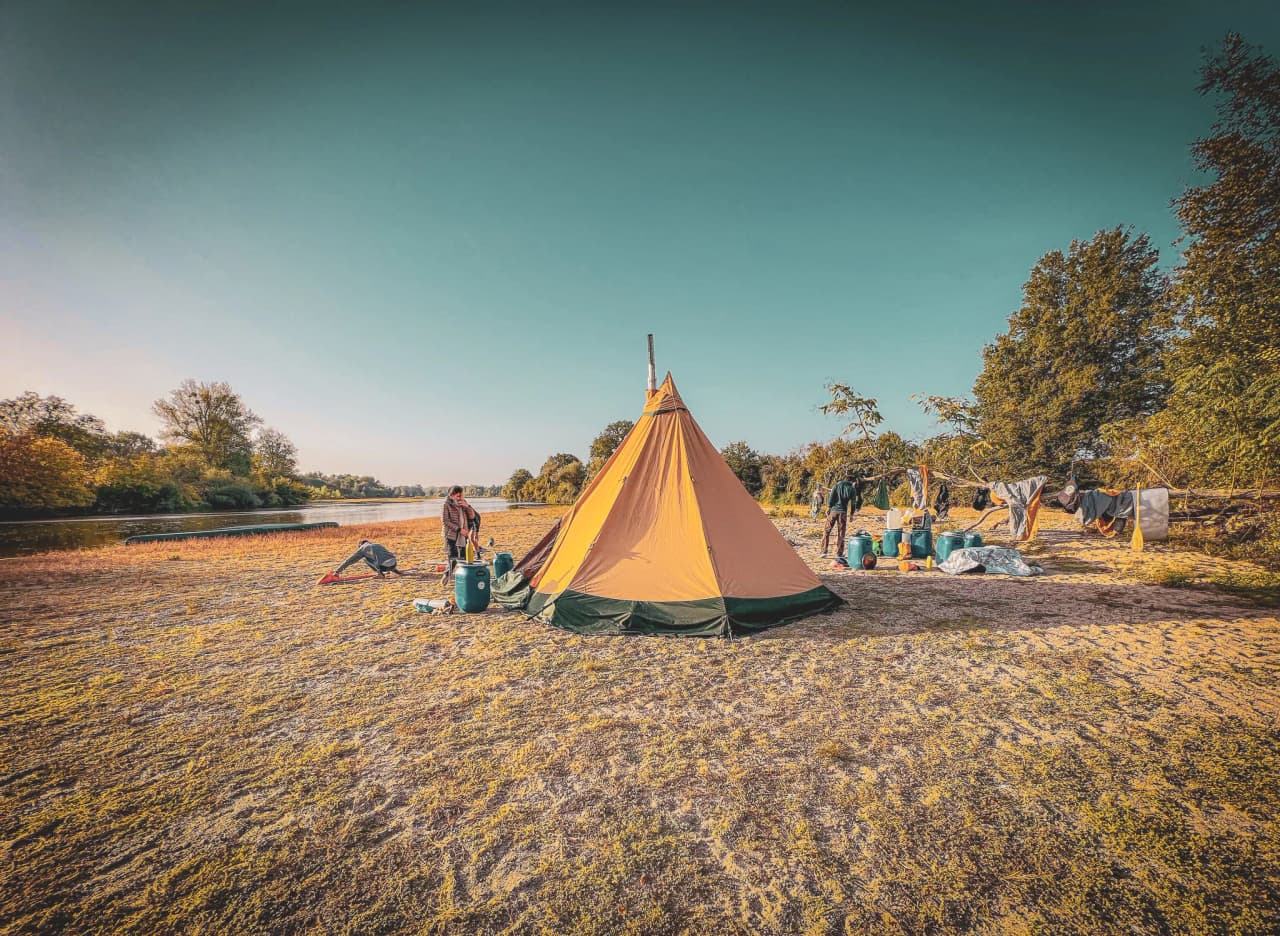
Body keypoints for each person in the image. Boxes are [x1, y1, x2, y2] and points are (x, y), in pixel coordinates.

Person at [441, 485, 478, 584]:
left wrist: (468, 507)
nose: (460, 498)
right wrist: (458, 529)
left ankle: (465, 578)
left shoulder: (464, 504)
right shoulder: (446, 505)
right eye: (458, 496)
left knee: (464, 556)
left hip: (463, 535)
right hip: (451, 535)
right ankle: (447, 575)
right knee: (452, 557)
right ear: (452, 495)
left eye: (461, 496)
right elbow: (445, 521)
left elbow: (472, 517)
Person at [821, 472, 858, 558]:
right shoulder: (852, 489)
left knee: (827, 530)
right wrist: (852, 514)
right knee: (841, 533)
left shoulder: (837, 485)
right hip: (843, 512)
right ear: (852, 481)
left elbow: (831, 497)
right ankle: (839, 553)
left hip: (833, 511)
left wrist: (829, 507)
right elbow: (853, 503)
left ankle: (824, 551)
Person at [334, 540, 404, 577]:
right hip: (394, 563)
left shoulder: (362, 548)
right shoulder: (377, 544)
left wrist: (337, 571)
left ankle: (380, 574)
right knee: (381, 555)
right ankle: (397, 572)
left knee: (365, 558)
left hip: (383, 567)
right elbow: (386, 556)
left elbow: (349, 561)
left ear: (360, 545)